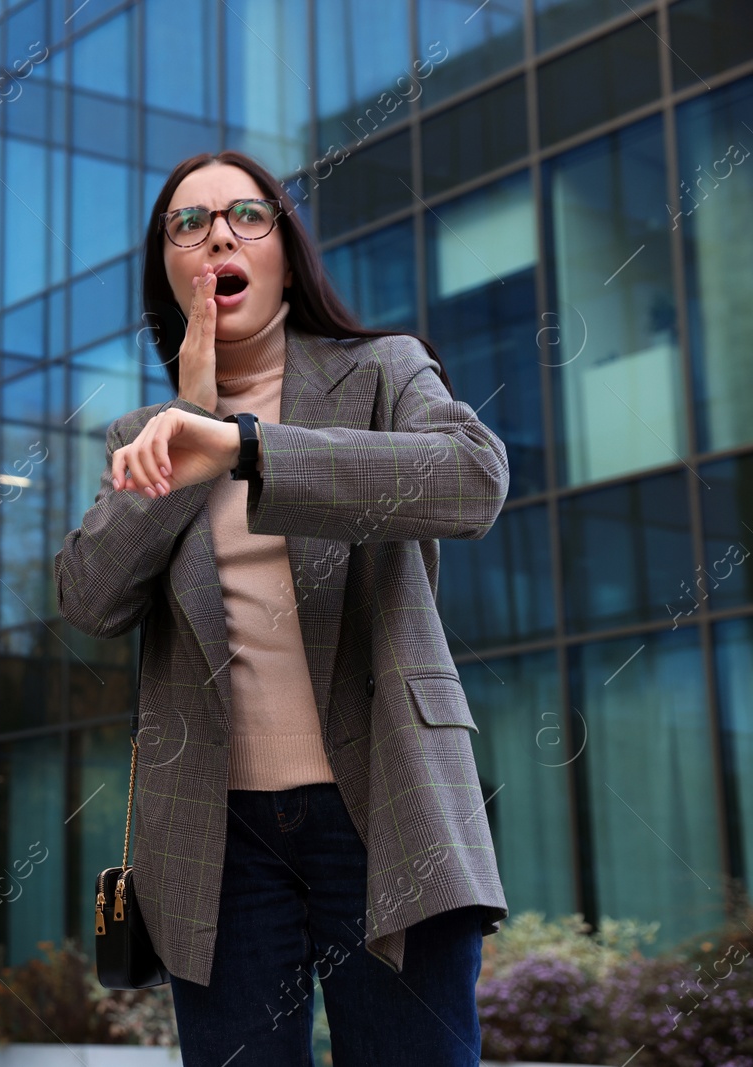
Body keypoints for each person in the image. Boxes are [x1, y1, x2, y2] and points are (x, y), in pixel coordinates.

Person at [53, 149, 511, 1067]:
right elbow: (89, 598)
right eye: (189, 223)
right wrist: (189, 420)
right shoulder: (142, 438)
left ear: (285, 254)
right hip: (222, 843)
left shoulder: (384, 371)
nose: (217, 232)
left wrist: (244, 446)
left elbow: (471, 479)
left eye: (245, 216)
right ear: (173, 275)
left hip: (387, 801)